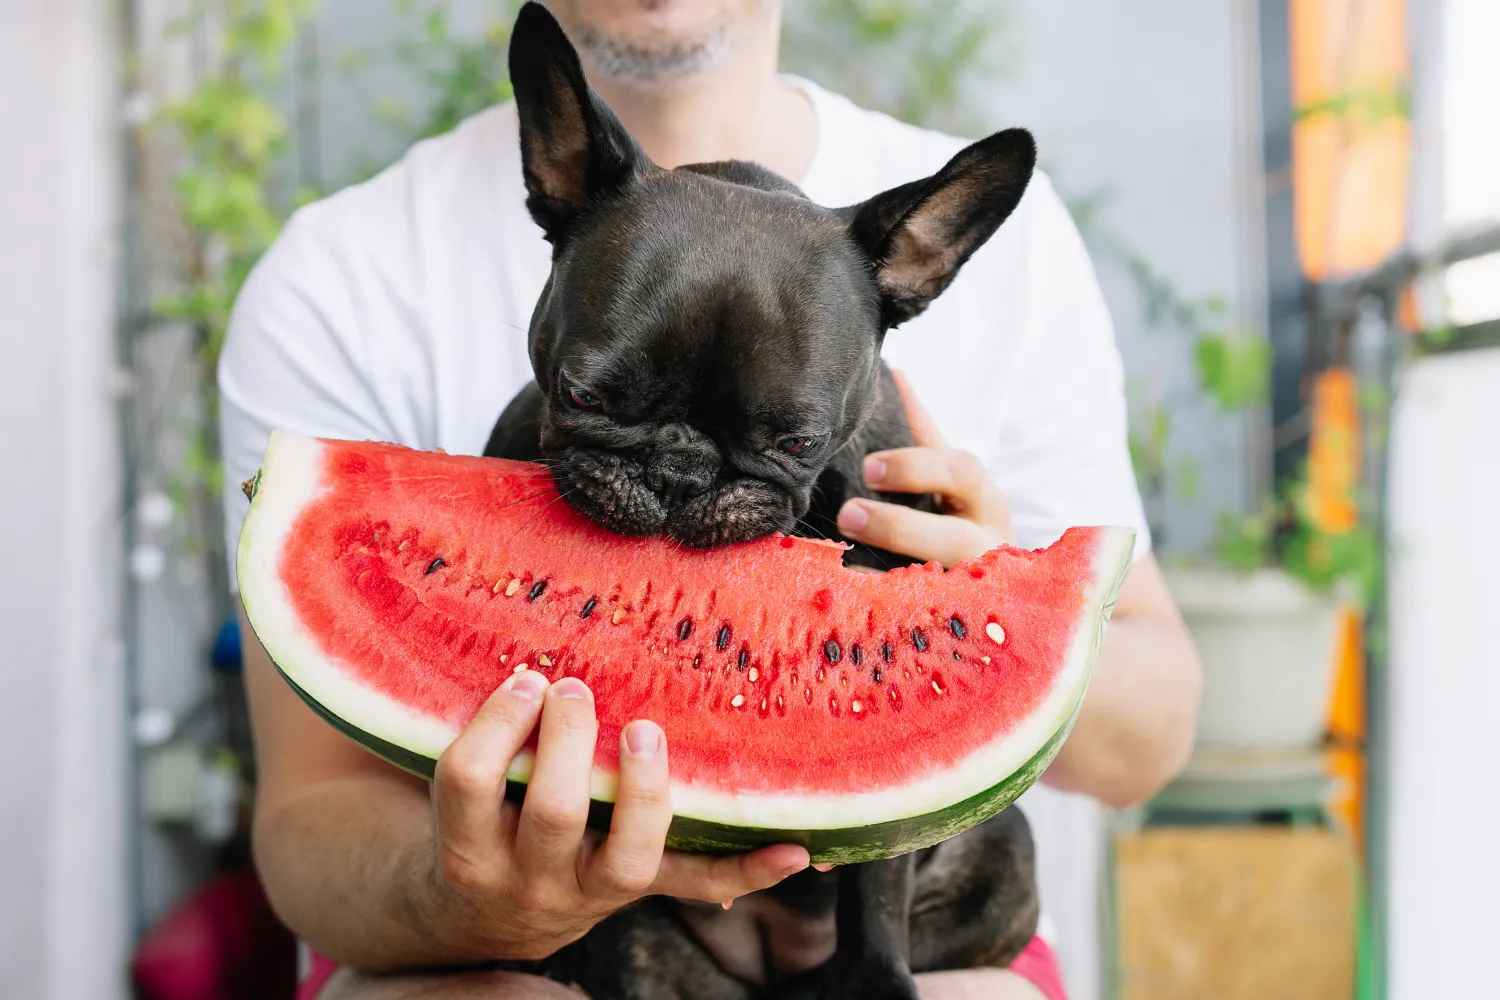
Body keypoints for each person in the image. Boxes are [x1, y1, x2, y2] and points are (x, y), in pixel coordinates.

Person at [219, 2, 1202, 998]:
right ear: (553, 178)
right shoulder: (338, 272)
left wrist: (993, 618)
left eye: (786, 440)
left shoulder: (1024, 264)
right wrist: (476, 893)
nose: (679, 479)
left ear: (918, 274)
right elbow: (312, 809)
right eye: (598, 399)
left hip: (905, 932)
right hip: (528, 940)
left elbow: (1154, 737)